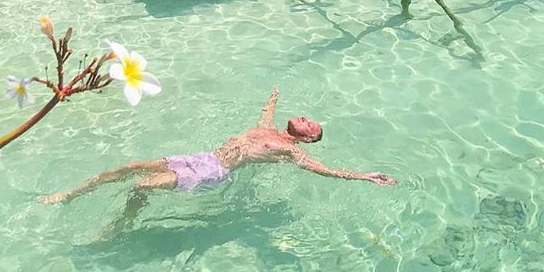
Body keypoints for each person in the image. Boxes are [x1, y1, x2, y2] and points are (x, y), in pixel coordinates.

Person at [40, 87, 397, 206]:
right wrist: (274, 94)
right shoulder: (267, 129)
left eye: (308, 123)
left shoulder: (289, 150)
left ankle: (120, 224)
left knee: (140, 187)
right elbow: (265, 111)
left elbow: (326, 170)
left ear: (307, 138)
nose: (303, 117)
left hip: (214, 172)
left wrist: (364, 177)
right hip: (200, 157)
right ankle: (69, 195)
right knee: (128, 167)